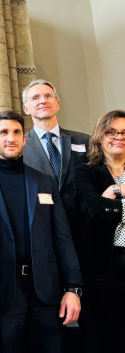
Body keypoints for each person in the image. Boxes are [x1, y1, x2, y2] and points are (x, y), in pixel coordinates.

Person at [0, 110, 82, 353]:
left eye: (17, 132)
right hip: (1, 295)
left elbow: (62, 238)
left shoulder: (44, 182)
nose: (11, 138)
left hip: (46, 292)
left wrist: (73, 288)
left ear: (24, 138)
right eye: (4, 132)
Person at [74, 110, 125, 353]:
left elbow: (104, 208)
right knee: (103, 338)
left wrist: (114, 193)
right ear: (100, 136)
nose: (118, 137)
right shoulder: (86, 171)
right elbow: (92, 208)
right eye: (111, 132)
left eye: (124, 132)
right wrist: (121, 191)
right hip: (102, 268)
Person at [22, 79, 89, 255]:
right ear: (26, 108)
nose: (43, 100)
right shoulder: (19, 146)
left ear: (57, 104)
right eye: (35, 97)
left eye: (48, 95)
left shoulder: (84, 141)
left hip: (82, 227)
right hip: (42, 229)